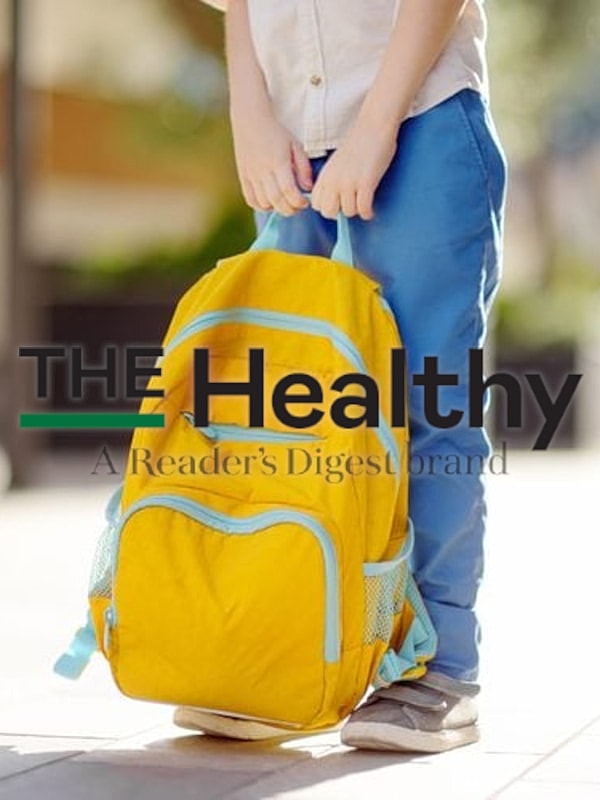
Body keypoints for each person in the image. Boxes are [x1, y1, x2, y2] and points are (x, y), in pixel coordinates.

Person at [175, 0, 507, 752]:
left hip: (420, 117)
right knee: (269, 417)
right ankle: (280, 654)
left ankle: (438, 672)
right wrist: (248, 110)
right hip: (291, 135)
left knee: (426, 408)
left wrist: (373, 129)